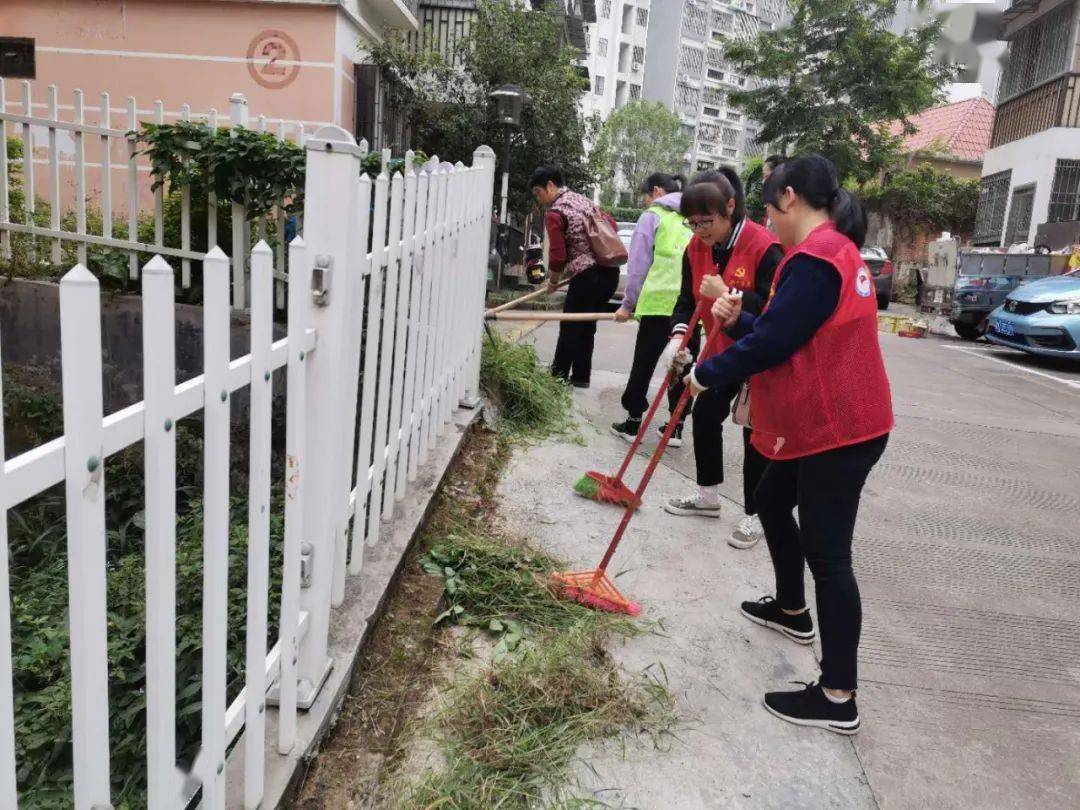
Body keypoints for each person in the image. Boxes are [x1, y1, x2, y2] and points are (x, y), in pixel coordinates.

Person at [685, 155, 893, 734]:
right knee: (772, 500)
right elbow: (787, 334)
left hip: (840, 429)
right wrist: (737, 316)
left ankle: (837, 695)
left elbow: (776, 342)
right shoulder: (833, 253)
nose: (767, 224)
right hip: (832, 421)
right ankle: (791, 609)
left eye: (769, 209)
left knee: (831, 558)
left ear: (791, 198)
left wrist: (709, 372)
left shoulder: (817, 259)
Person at [661, 168, 784, 553]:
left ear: (730, 207)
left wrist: (726, 293)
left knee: (756, 434)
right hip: (719, 352)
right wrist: (679, 336)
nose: (699, 230)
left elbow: (773, 307)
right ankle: (708, 495)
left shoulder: (764, 246)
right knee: (704, 414)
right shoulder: (694, 249)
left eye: (707, 221)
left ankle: (757, 513)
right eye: (692, 223)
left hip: (757, 354)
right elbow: (686, 299)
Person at [610, 172, 692, 441]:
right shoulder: (695, 217)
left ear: (656, 191)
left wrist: (628, 304)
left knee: (644, 364)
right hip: (688, 308)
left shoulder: (653, 216)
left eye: (646, 196)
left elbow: (637, 268)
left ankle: (633, 423)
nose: (646, 202)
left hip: (658, 305)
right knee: (680, 367)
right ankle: (675, 429)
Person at [530, 166, 621, 389]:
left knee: (570, 326)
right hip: (610, 273)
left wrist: (552, 281)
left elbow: (558, 256)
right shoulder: (585, 201)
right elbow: (612, 226)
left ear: (550, 185)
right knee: (586, 325)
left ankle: (558, 377)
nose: (540, 200)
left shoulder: (556, 212)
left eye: (539, 193)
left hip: (587, 277)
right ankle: (581, 377)